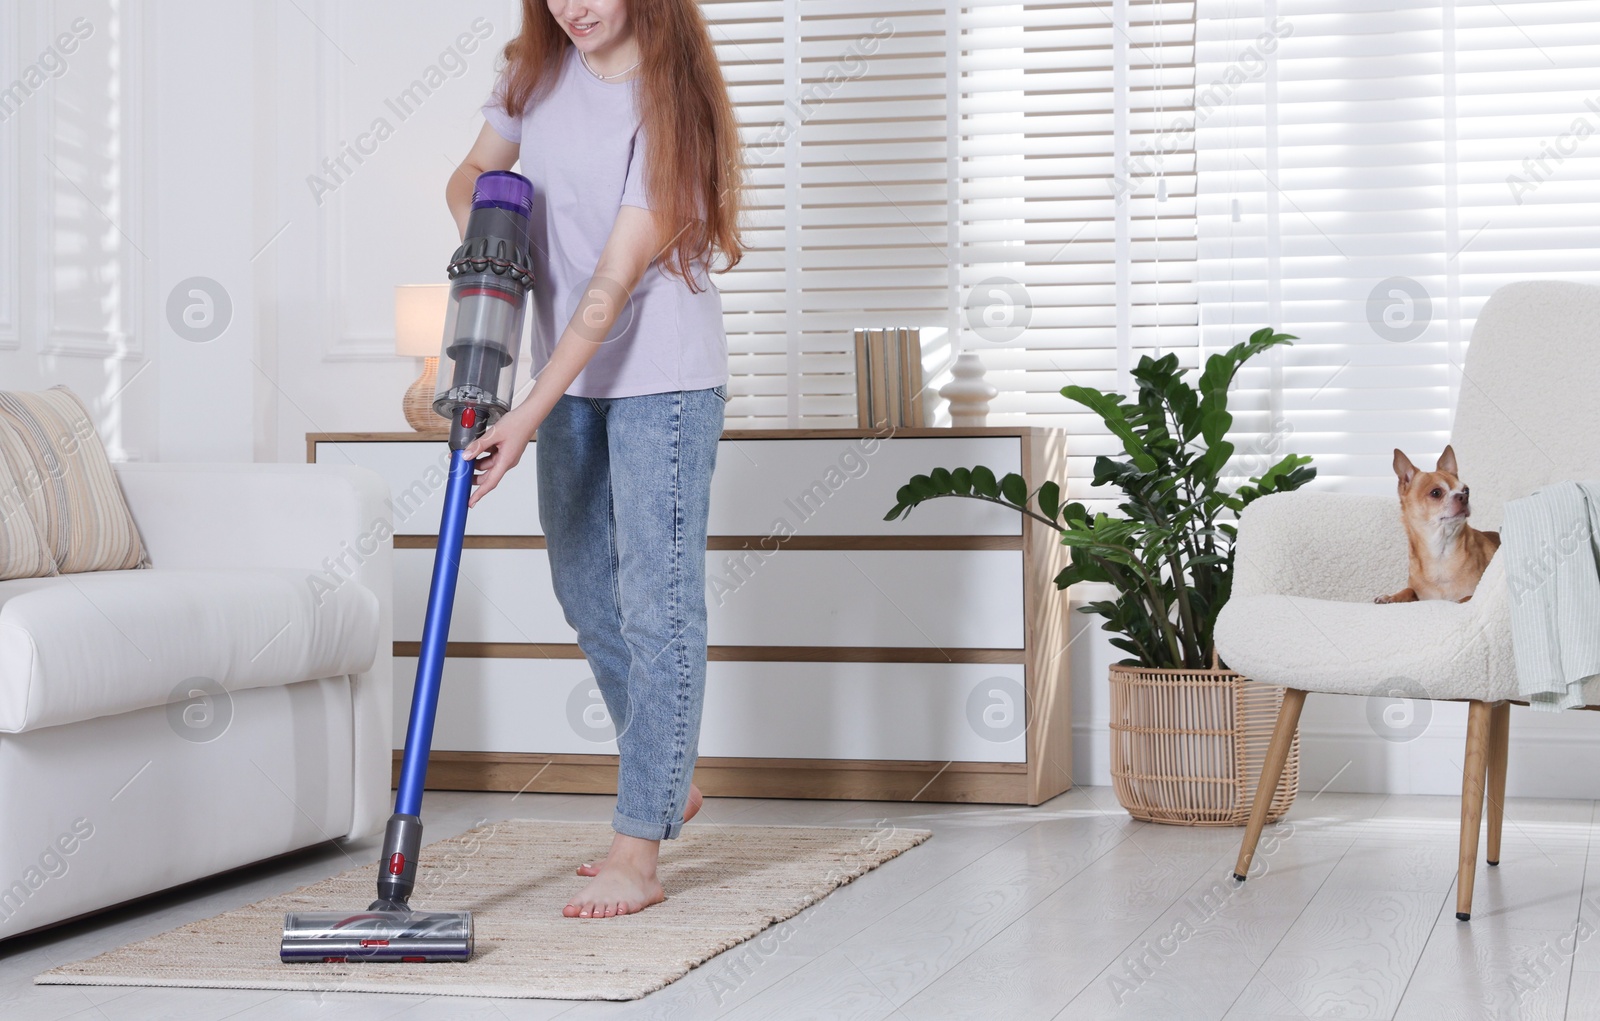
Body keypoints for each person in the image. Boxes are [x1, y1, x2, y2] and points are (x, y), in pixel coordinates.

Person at [445, 0, 743, 919]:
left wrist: (525, 413)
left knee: (657, 602)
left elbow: (611, 286)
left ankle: (639, 845)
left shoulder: (670, 94)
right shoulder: (530, 70)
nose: (575, 6)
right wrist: (493, 241)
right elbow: (468, 178)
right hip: (561, 376)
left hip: (662, 378)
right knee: (583, 587)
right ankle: (668, 775)